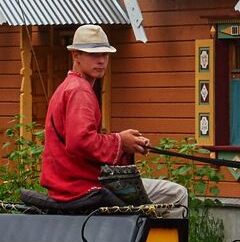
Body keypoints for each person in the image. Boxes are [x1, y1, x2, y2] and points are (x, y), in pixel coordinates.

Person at [41, 24, 188, 212]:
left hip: (66, 184)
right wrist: (120, 141)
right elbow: (80, 141)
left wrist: (126, 142)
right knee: (176, 194)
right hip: (81, 186)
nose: (101, 60)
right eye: (94, 54)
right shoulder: (80, 91)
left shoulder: (68, 87)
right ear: (75, 55)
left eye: (105, 54)